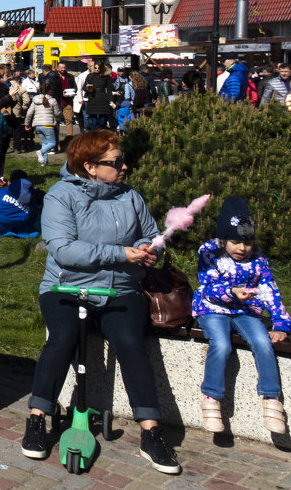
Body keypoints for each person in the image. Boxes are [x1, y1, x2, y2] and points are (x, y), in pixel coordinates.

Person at [21, 130, 180, 475]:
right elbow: (63, 249)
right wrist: (121, 253)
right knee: (61, 339)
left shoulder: (130, 196)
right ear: (91, 166)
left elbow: (149, 233)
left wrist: (150, 249)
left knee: (130, 343)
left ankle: (151, 432)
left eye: (123, 159)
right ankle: (37, 417)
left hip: (120, 289)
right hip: (66, 289)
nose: (125, 166)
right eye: (117, 162)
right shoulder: (61, 196)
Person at [192, 196, 288, 435]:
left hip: (244, 311)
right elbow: (208, 287)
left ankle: (271, 399)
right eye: (235, 242)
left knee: (263, 342)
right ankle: (211, 398)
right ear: (223, 239)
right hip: (212, 308)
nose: (241, 248)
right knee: (222, 345)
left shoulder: (258, 262)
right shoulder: (210, 255)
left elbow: (270, 291)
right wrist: (231, 291)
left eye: (247, 243)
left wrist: (279, 324)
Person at [23, 85, 59, 166]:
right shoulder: (53, 100)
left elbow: (29, 113)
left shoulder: (35, 100)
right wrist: (60, 118)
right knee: (53, 143)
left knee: (45, 143)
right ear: (50, 91)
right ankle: (41, 152)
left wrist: (27, 124)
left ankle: (44, 162)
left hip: (37, 125)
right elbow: (57, 113)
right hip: (48, 125)